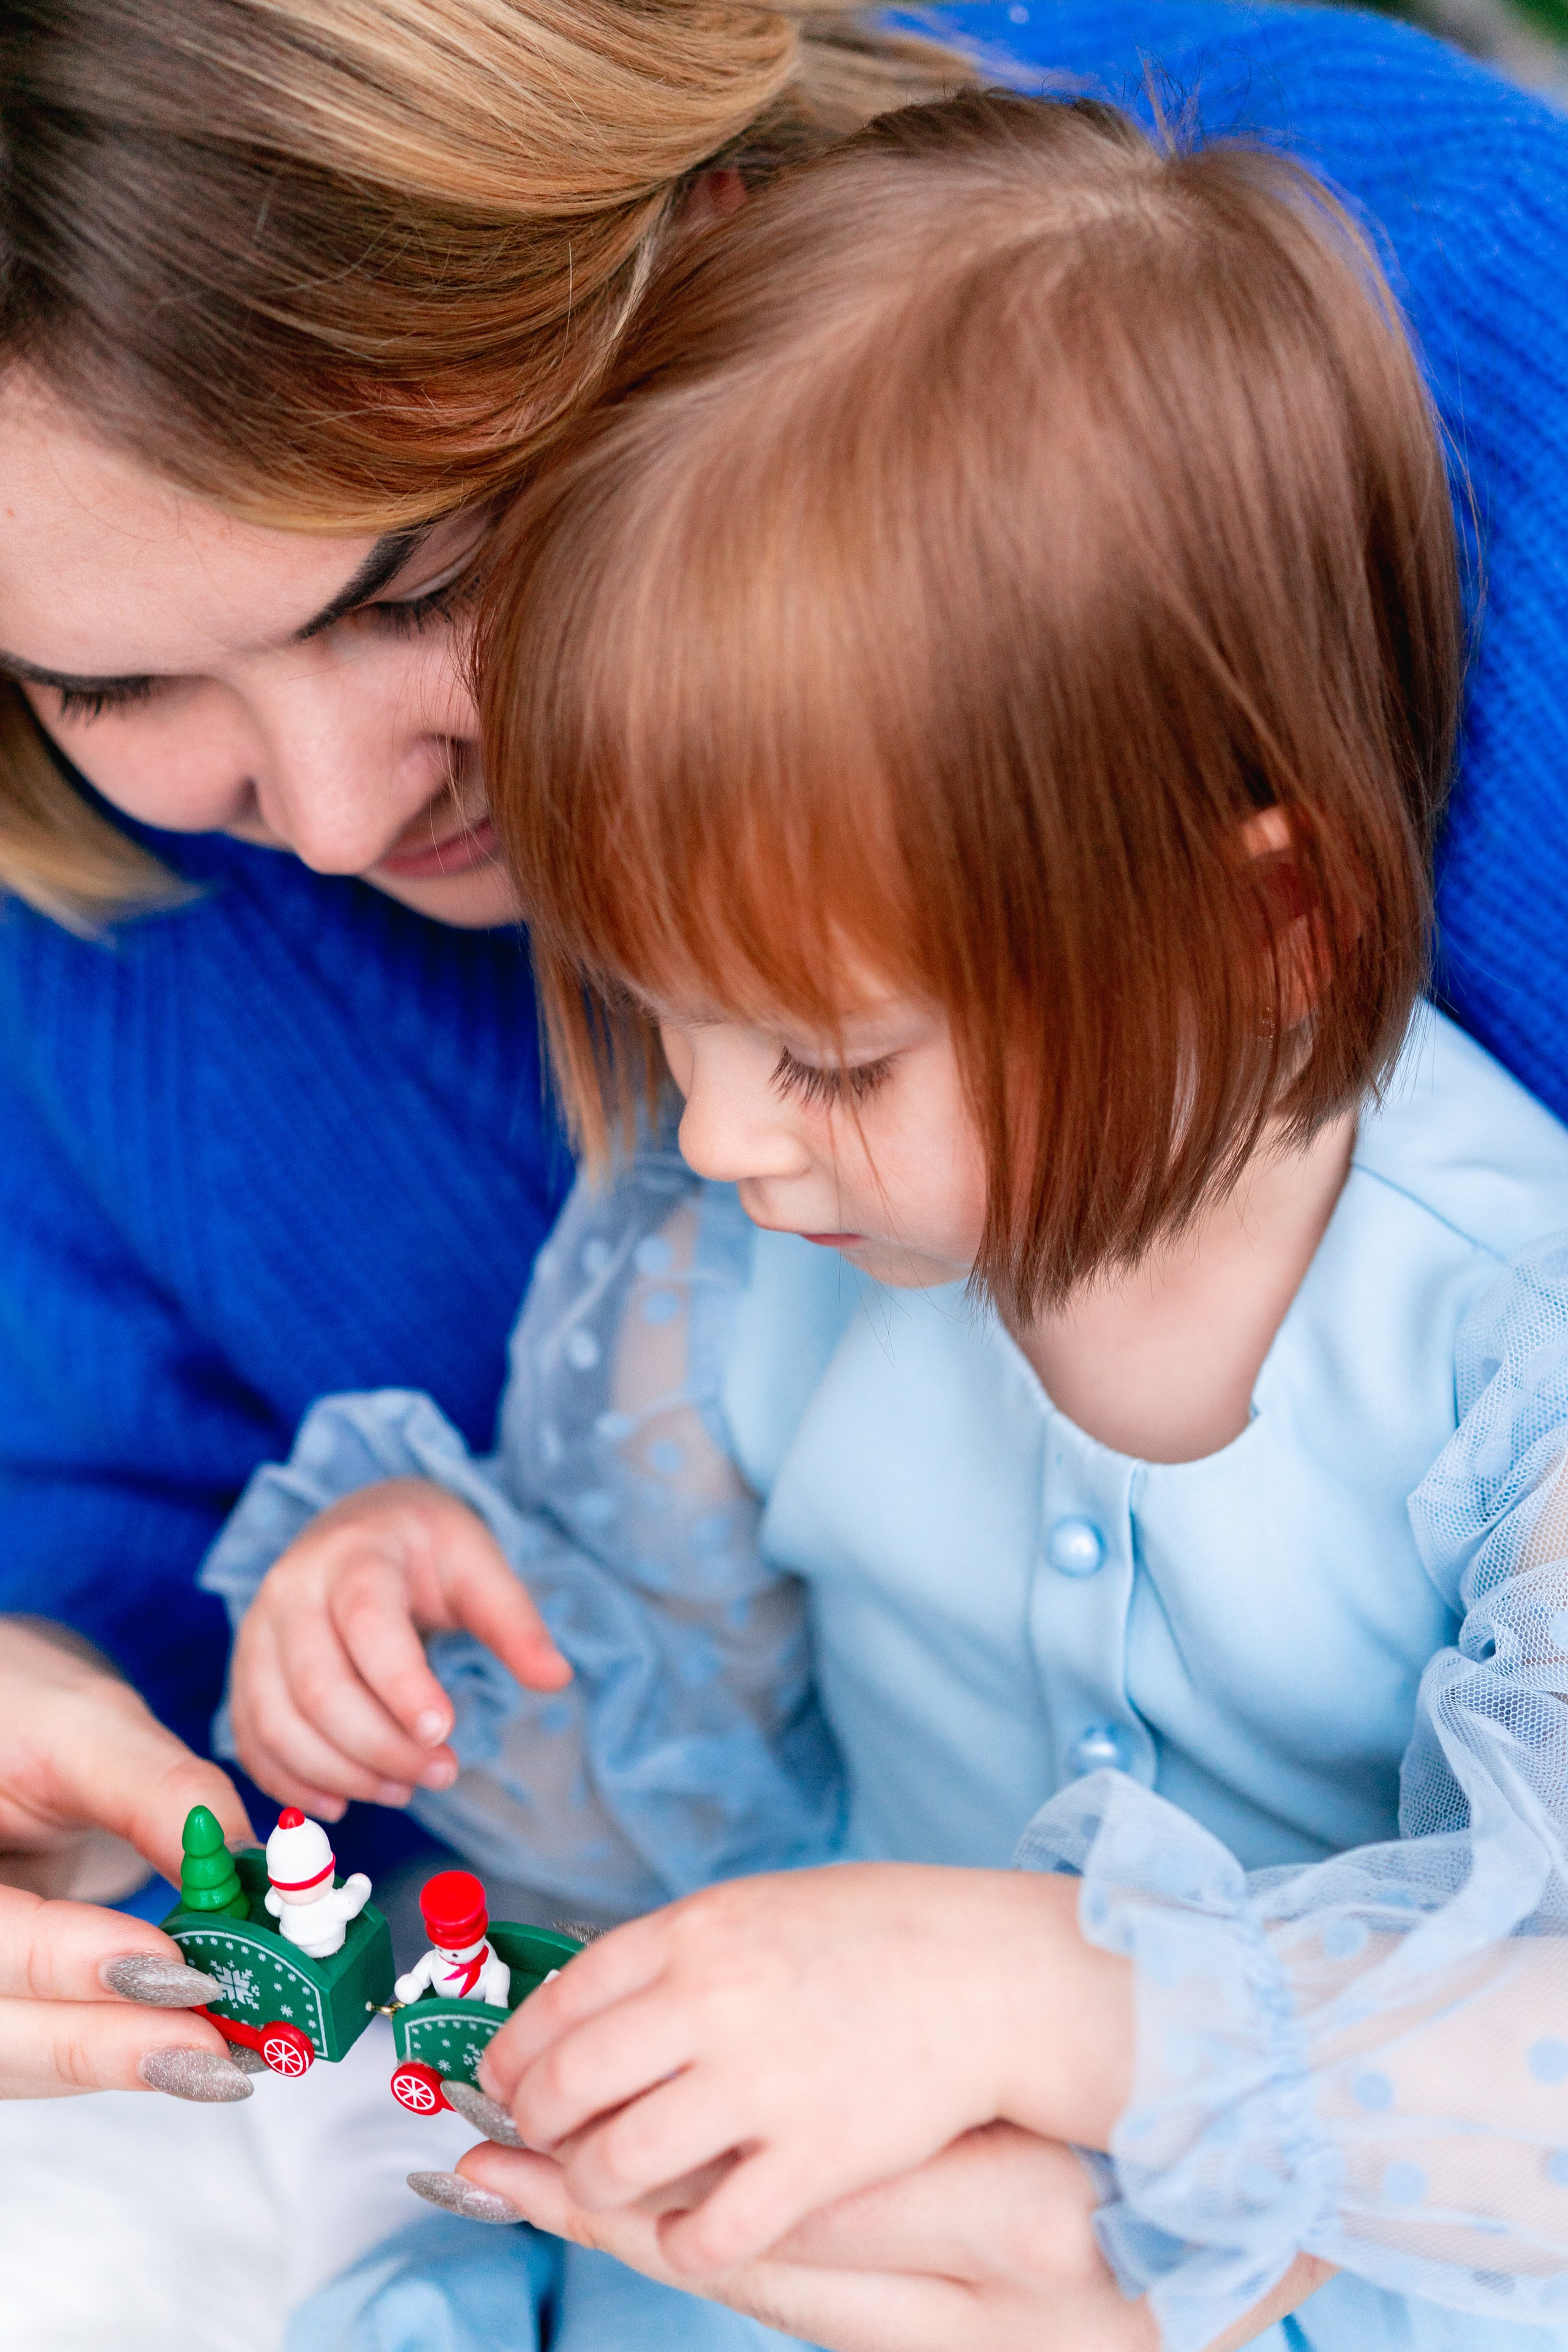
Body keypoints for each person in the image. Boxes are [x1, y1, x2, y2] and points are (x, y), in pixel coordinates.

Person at [1, 0, 1567, 2339]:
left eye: (416, 581)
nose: (322, 828)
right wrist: (420, 1623)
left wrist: (1078, 2019)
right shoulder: (739, 1261)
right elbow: (653, 1792)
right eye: (104, 689)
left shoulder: (1494, 1351)